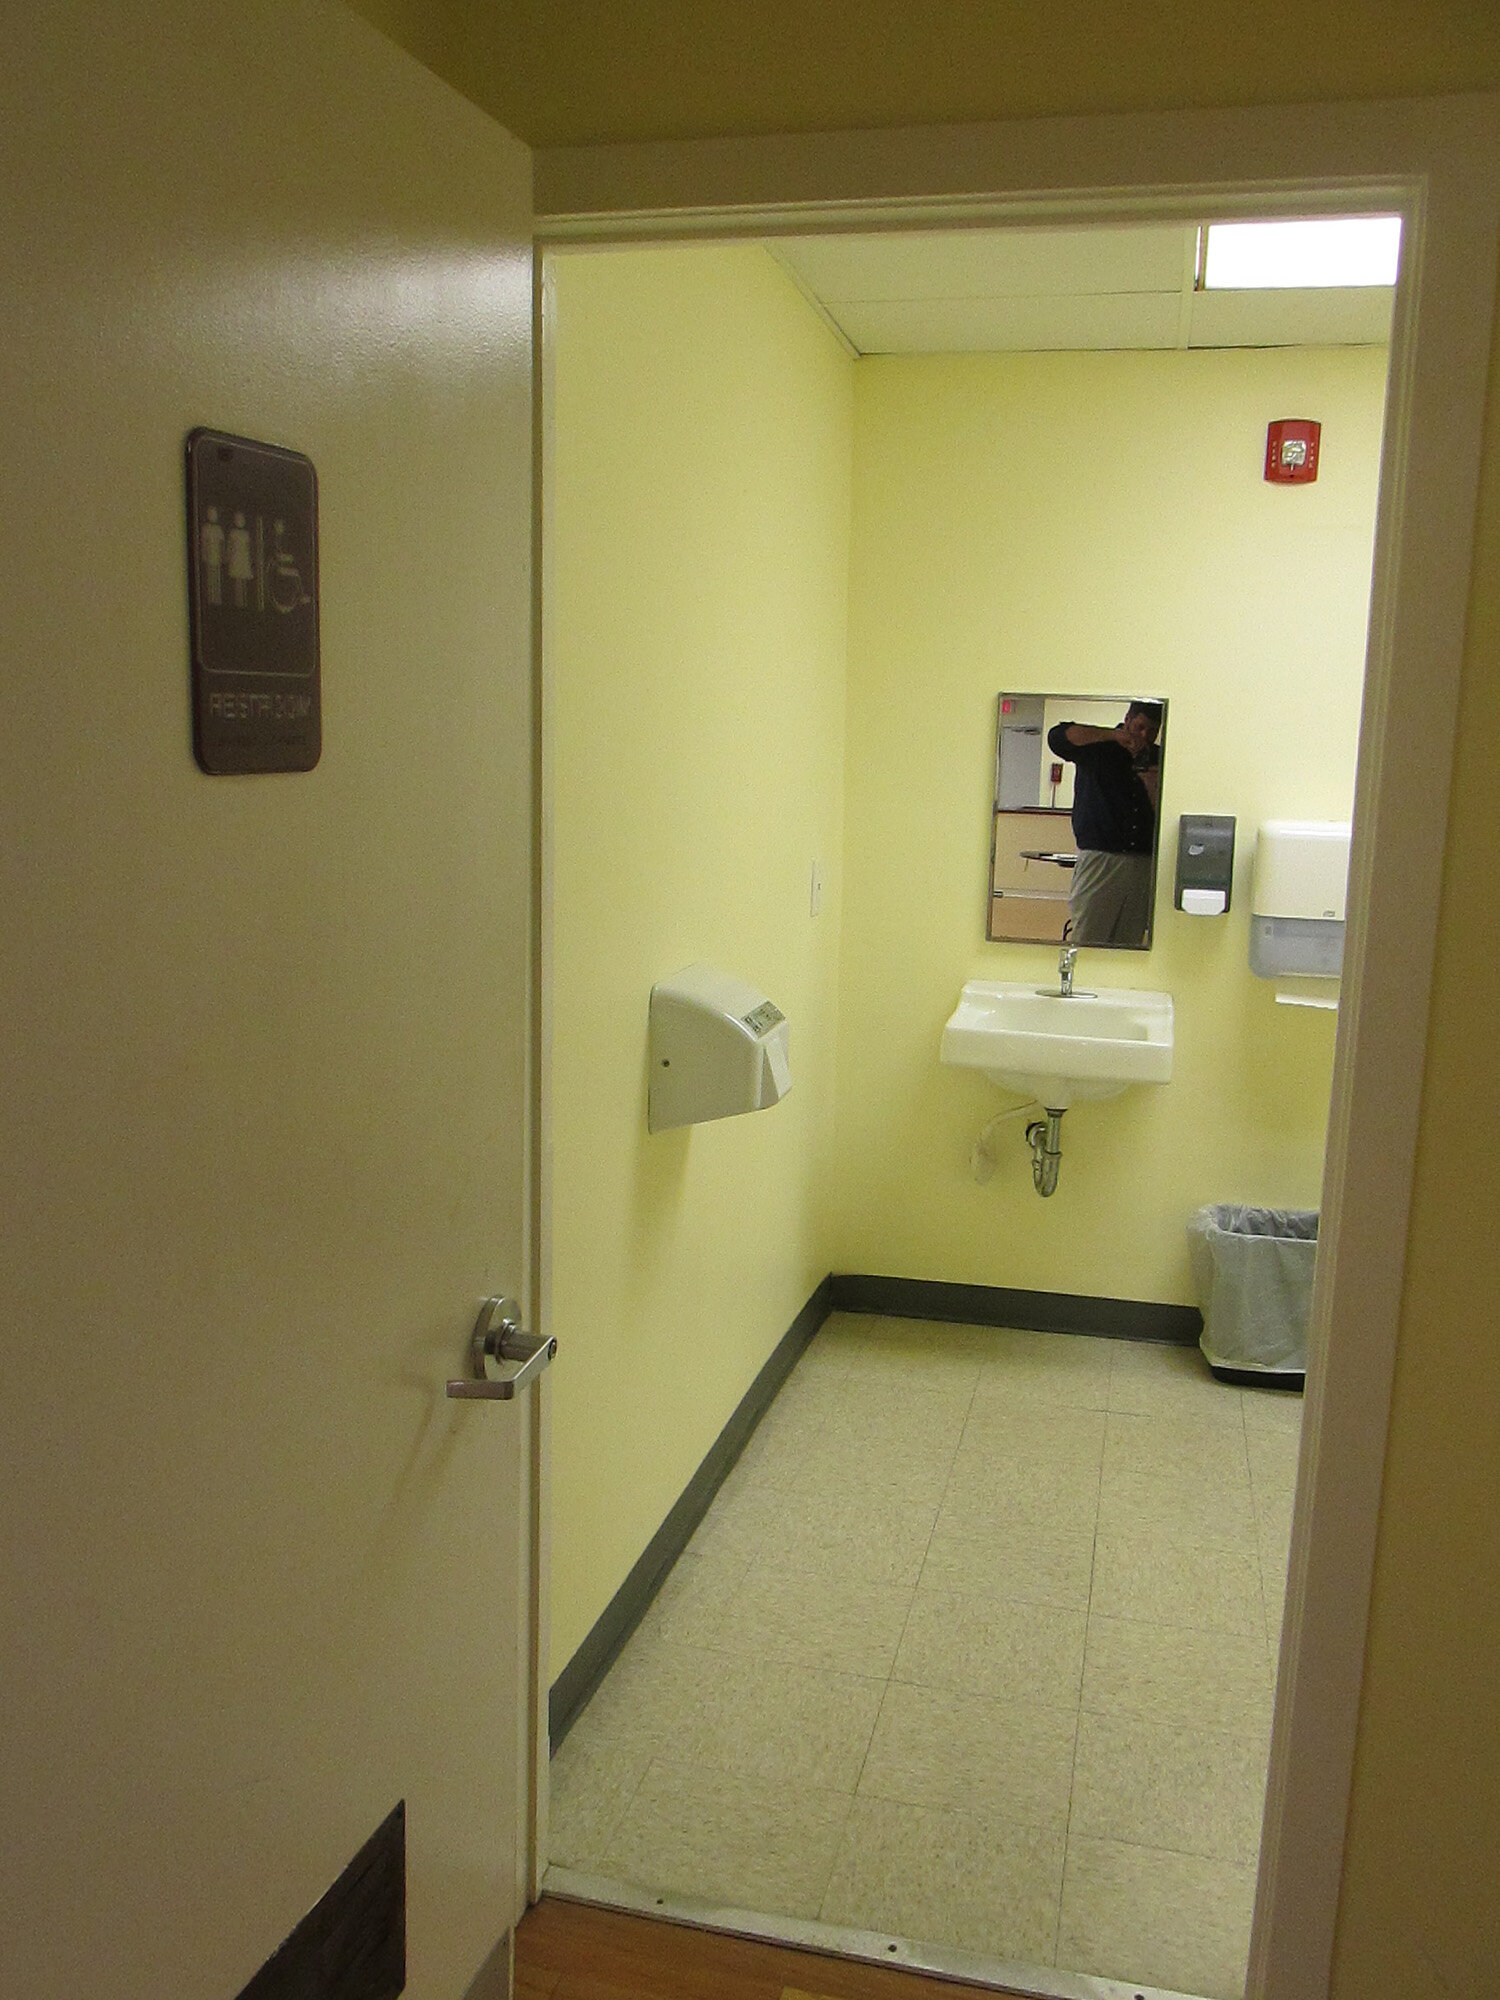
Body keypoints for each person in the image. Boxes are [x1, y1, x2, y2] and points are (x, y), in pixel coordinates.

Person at [1046, 701, 1163, 945]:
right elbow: (1057, 737)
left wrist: (1153, 788)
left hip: (1144, 863)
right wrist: (1112, 735)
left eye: (1152, 731)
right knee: (1088, 939)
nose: (1144, 736)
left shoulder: (1159, 758)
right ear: (1128, 719)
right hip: (1100, 858)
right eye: (1140, 727)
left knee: (1130, 943)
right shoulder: (1097, 747)